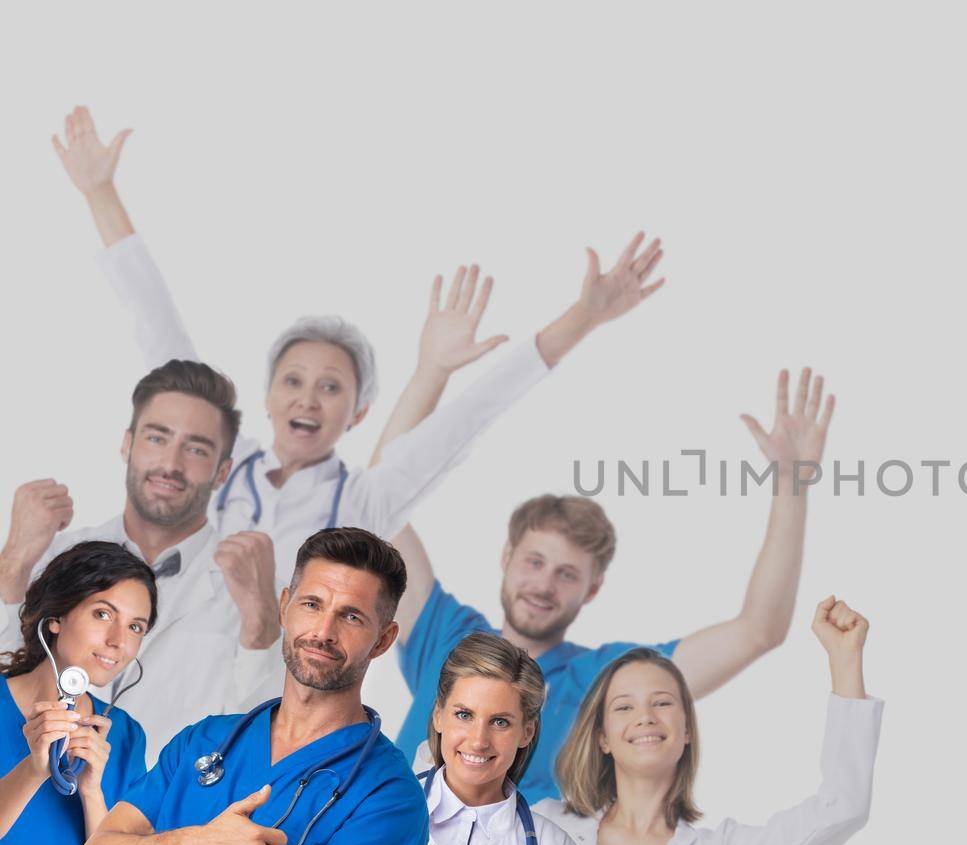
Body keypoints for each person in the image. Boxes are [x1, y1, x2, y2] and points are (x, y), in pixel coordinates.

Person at [54, 105, 668, 585]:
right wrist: (100, 195)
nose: (310, 400)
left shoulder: (364, 503)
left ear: (359, 414)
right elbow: (161, 333)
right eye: (294, 381)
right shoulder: (217, 460)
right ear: (266, 397)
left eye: (332, 388)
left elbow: (470, 417)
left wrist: (580, 320)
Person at [379, 368, 838, 802]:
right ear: (506, 557)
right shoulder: (445, 632)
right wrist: (434, 369)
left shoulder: (606, 679)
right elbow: (382, 493)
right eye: (535, 562)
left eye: (567, 574)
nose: (544, 585)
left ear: (592, 590)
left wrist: (791, 486)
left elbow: (758, 631)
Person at [71, 527, 429, 845]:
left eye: (351, 617)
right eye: (312, 604)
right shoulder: (203, 742)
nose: (324, 632)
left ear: (383, 639)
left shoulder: (388, 793)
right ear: (284, 607)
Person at [540, 595, 882, 845]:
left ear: (687, 729)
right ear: (602, 738)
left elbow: (841, 808)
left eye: (662, 702)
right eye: (624, 707)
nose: (645, 717)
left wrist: (845, 658)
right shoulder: (547, 827)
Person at [0, 360, 283, 766]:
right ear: (127, 443)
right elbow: (11, 675)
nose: (171, 463)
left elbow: (261, 735)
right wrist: (12, 564)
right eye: (157, 438)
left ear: (223, 471)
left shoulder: (253, 592)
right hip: (28, 784)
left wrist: (260, 624)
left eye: (196, 448)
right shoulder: (50, 556)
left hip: (163, 815)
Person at [344, 633, 590, 845]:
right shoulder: (373, 808)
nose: (478, 741)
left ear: (526, 732)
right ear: (438, 716)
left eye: (500, 722)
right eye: (464, 715)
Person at [0, 541, 155, 845]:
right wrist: (34, 769)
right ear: (56, 617)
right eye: (103, 613)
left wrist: (91, 792)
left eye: (136, 627)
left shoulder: (124, 735)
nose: (118, 640)